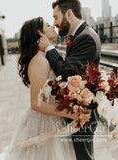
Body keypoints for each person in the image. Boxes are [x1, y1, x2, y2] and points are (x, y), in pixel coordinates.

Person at [0, 17, 79, 160]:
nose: (53, 25)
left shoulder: (45, 57)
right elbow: (36, 103)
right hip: (44, 123)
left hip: (52, 118)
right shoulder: (39, 61)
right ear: (39, 34)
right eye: (48, 25)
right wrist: (68, 113)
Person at [38, 0, 101, 160]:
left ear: (69, 14)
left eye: (56, 17)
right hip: (78, 113)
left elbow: (66, 73)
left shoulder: (86, 38)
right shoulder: (81, 35)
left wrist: (49, 48)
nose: (55, 23)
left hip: (82, 116)